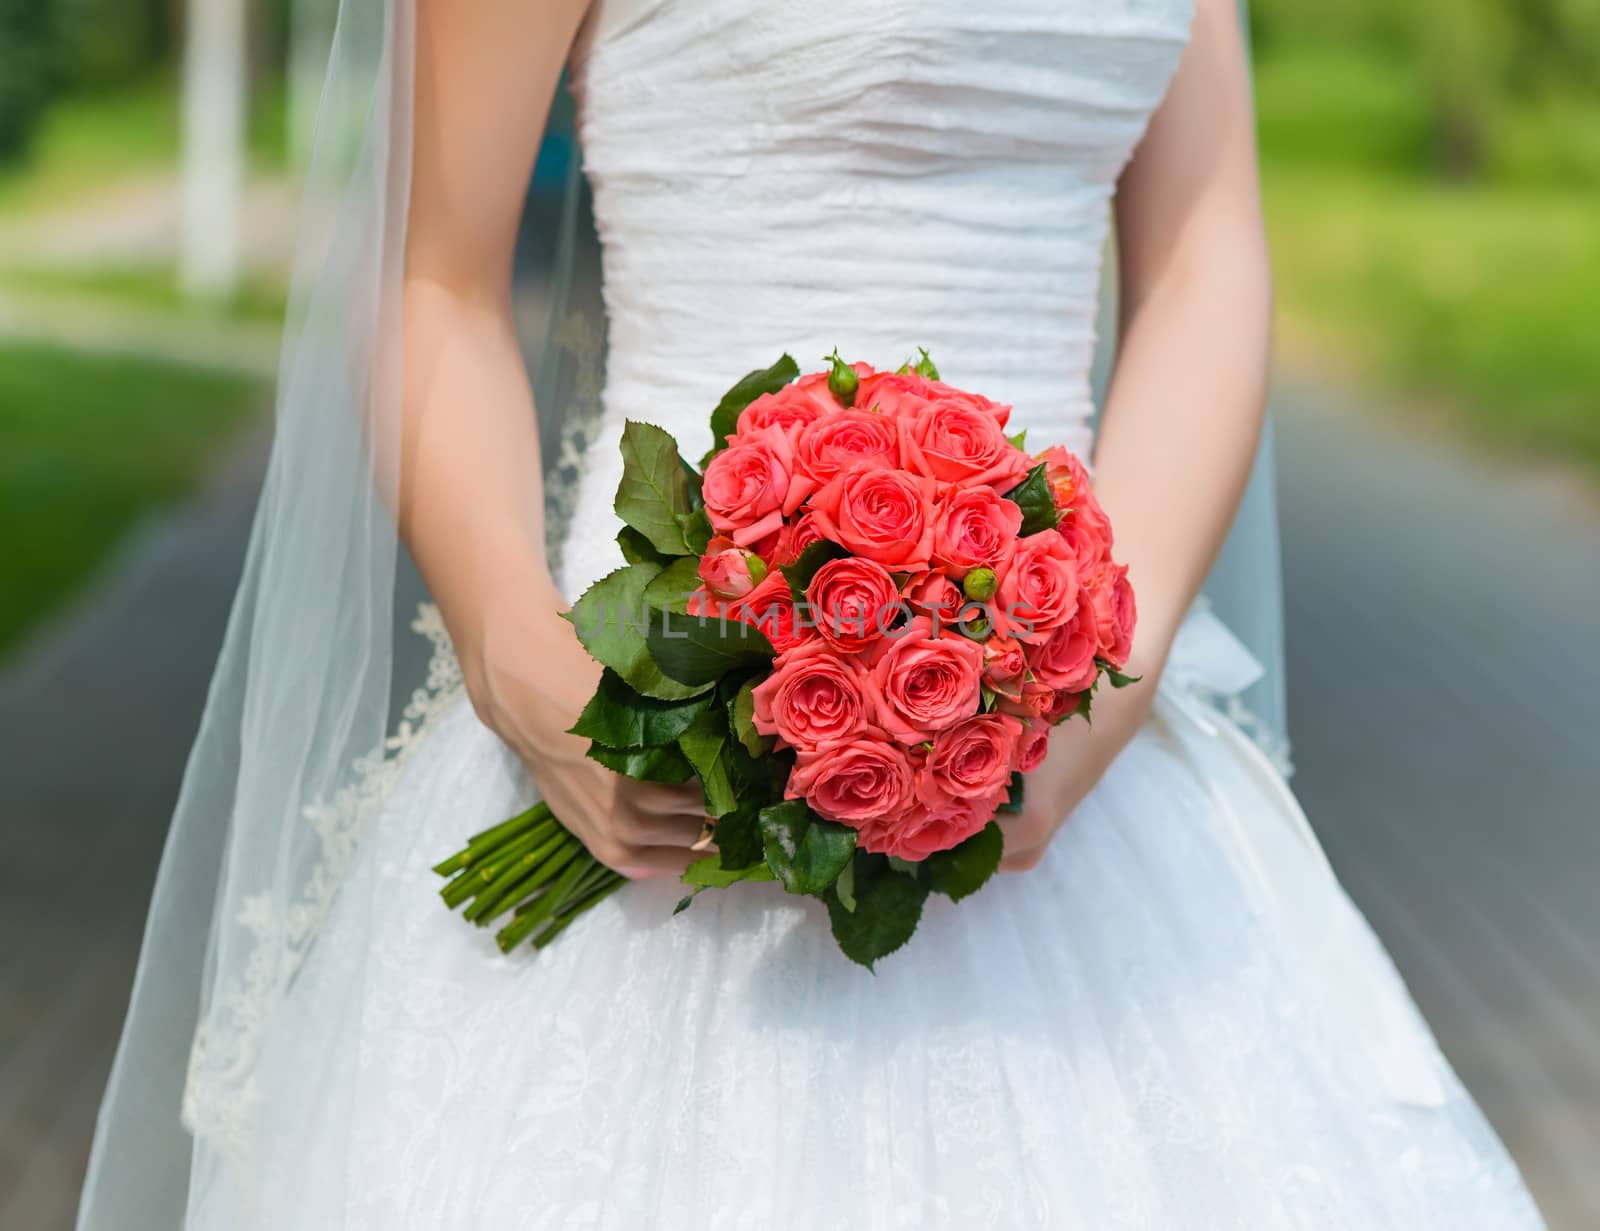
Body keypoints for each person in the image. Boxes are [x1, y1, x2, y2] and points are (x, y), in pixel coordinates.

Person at [79, 0, 1547, 1226]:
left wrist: (1109, 683)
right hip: (639, 749)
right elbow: (434, 279)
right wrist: (522, 669)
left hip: (1067, 749)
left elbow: (1204, 261)